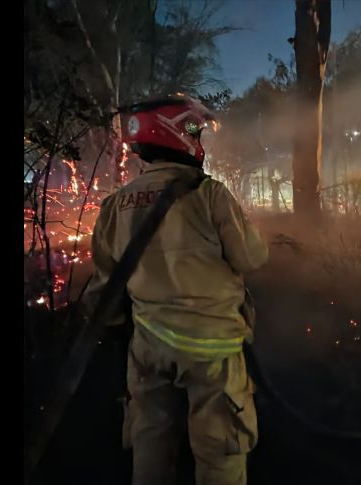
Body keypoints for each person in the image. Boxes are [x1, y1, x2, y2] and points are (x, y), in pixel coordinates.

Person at [86, 94, 268, 484]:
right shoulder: (209, 194)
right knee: (221, 448)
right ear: (177, 134)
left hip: (148, 347)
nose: (199, 141)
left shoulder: (115, 205)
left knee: (150, 443)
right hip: (211, 348)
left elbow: (104, 290)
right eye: (194, 132)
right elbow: (252, 257)